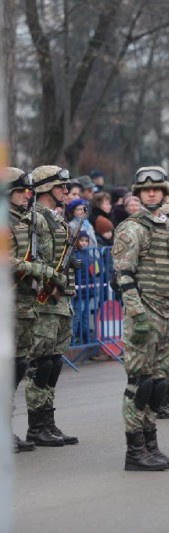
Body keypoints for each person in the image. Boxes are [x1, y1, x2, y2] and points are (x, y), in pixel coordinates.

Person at [112, 166, 169, 471]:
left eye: (157, 189)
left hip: (168, 317)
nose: (151, 194)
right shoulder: (132, 228)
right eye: (146, 190)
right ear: (137, 193)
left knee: (159, 385)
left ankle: (151, 445)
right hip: (145, 316)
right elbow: (123, 275)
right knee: (140, 384)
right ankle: (135, 451)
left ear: (164, 193)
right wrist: (137, 316)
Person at [25, 166, 80, 447]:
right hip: (44, 300)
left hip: (61, 300)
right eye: (60, 187)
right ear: (45, 188)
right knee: (42, 363)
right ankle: (36, 425)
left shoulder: (58, 220)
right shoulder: (36, 219)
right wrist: (51, 277)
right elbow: (37, 258)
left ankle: (48, 421)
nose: (65, 191)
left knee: (55, 362)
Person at [5, 167, 38, 452]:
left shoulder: (23, 220)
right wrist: (34, 267)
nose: (26, 196)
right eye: (19, 191)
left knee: (18, 365)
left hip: (23, 303)